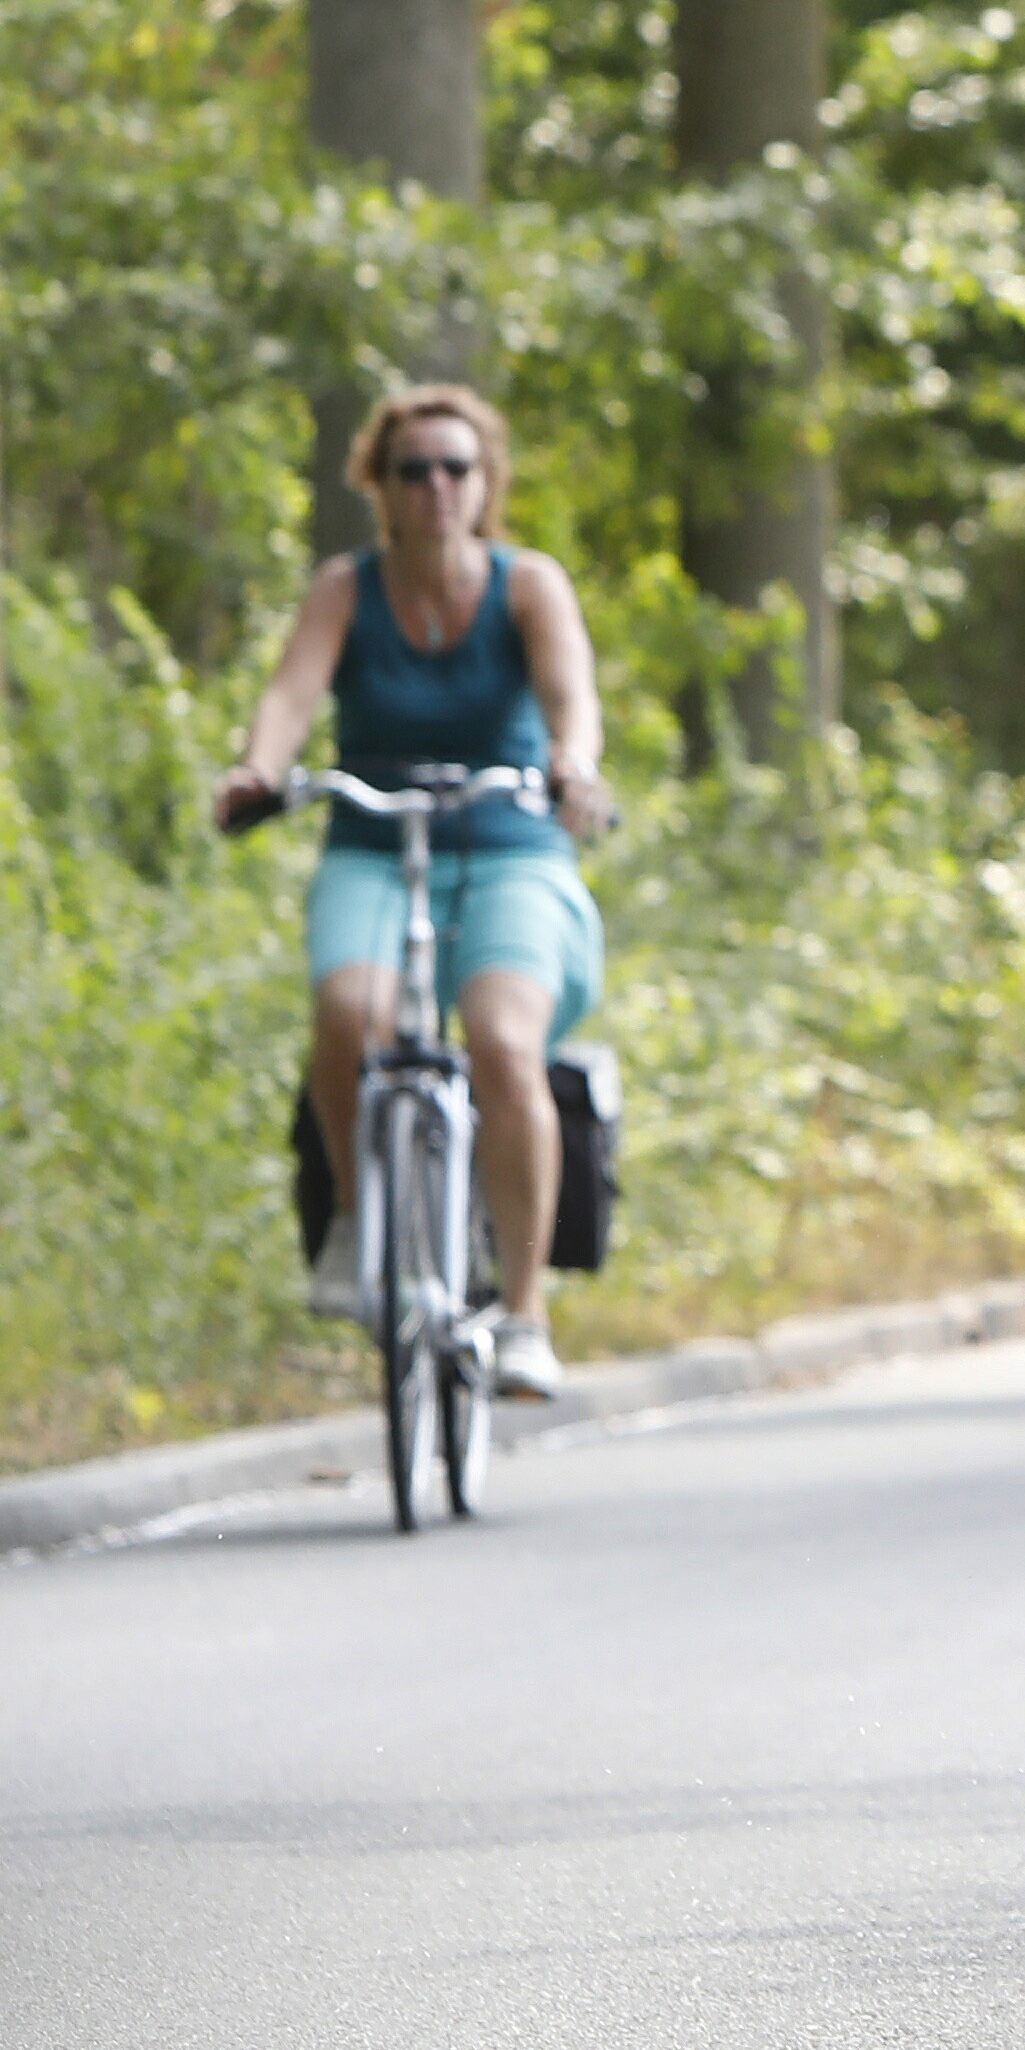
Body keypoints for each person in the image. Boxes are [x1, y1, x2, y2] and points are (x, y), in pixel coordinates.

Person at [212, 385, 621, 1397]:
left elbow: (572, 695)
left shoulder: (526, 585)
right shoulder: (346, 590)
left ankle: (524, 1314)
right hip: (375, 842)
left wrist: (572, 765)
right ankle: (357, 1224)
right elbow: (290, 694)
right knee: (349, 1012)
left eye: (456, 467)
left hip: (511, 846)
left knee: (502, 1041)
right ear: (380, 487)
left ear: (485, 483)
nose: (436, 486)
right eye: (413, 470)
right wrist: (260, 768)